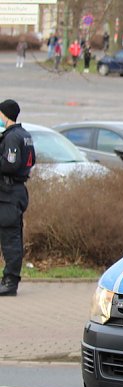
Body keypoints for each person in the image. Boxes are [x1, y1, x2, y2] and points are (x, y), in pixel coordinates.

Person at [0, 100, 36, 297]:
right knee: (11, 237)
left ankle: (10, 282)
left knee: (10, 239)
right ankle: (8, 278)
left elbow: (10, 164)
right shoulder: (24, 135)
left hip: (9, 193)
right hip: (15, 191)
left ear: (5, 115)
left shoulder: (13, 137)